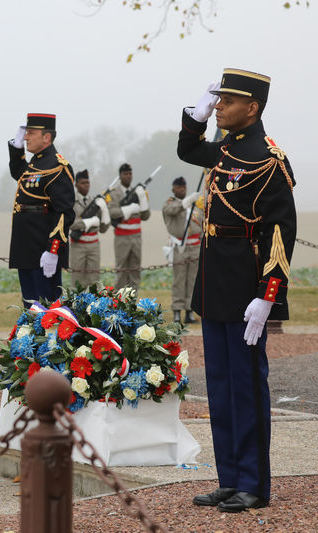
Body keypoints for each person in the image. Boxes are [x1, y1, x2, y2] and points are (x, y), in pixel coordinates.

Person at [178, 69, 296, 512]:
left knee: (246, 386)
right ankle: (229, 478)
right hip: (214, 286)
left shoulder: (269, 160)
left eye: (227, 101)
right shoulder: (225, 148)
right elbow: (188, 148)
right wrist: (197, 116)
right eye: (218, 100)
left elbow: (280, 234)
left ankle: (254, 484)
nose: (221, 106)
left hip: (247, 288)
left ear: (253, 107)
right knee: (221, 386)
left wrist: (268, 295)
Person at [7, 113, 75, 305]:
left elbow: (64, 212)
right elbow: (19, 174)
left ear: (46, 137)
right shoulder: (35, 164)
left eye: (31, 133)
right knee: (30, 306)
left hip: (43, 249)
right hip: (26, 248)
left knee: (47, 309)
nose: (26, 137)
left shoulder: (57, 166)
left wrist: (53, 250)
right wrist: (16, 147)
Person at [162, 176, 202, 324]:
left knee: (192, 281)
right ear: (173, 189)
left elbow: (201, 223)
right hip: (180, 246)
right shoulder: (170, 204)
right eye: (179, 188)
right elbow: (171, 211)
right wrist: (186, 202)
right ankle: (177, 312)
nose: (182, 190)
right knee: (179, 280)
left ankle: (189, 312)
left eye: (184, 187)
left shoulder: (194, 206)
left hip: (194, 246)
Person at [107, 163, 150, 291]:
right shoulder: (114, 194)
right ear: (120, 176)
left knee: (135, 272)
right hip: (122, 238)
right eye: (125, 174)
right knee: (121, 272)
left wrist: (142, 199)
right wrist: (127, 209)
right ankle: (119, 303)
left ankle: (132, 302)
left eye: (130, 174)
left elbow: (146, 216)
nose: (128, 176)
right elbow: (111, 212)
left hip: (136, 237)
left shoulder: (138, 192)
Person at [68, 169, 110, 287]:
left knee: (94, 281)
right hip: (78, 245)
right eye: (83, 183)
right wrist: (88, 222)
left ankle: (93, 305)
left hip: (94, 245)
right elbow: (70, 223)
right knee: (77, 280)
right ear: (76, 185)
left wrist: (105, 210)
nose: (86, 185)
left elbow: (103, 228)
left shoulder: (95, 202)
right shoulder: (71, 202)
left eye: (88, 183)